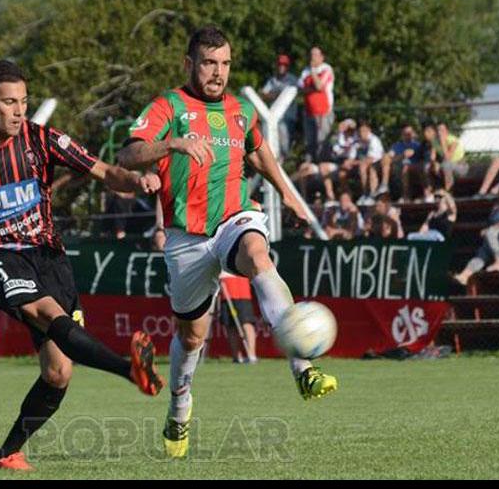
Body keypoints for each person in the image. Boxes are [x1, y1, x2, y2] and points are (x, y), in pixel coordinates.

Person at [0, 59, 165, 472]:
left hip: (49, 257)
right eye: (10, 102)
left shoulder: (42, 139)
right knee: (44, 311)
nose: (19, 110)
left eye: (24, 101)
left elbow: (103, 170)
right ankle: (127, 369)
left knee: (59, 372)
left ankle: (8, 453)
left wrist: (137, 181)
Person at [117, 25, 338, 459]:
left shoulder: (240, 111)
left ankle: (304, 367)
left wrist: (288, 194)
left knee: (258, 256)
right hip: (185, 236)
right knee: (193, 335)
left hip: (235, 217)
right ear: (189, 64)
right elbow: (127, 154)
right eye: (208, 63)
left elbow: (258, 151)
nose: (218, 72)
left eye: (224, 64)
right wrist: (173, 145)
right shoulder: (169, 106)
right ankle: (179, 409)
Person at [454, 179, 499, 285]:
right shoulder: (497, 206)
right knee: (482, 253)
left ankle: (498, 261)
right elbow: (490, 222)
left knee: (490, 233)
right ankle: (465, 275)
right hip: (493, 238)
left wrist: (489, 229)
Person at [298, 46, 335, 163]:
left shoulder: (327, 69)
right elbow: (299, 89)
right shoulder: (305, 71)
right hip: (309, 112)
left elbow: (319, 86)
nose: (312, 57)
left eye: (315, 55)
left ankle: (323, 171)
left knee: (322, 143)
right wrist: (312, 88)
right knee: (309, 143)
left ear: (321, 57)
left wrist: (313, 71)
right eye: (311, 54)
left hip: (324, 112)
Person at [260, 53, 299, 158]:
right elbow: (264, 94)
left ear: (287, 66)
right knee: (272, 139)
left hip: (288, 116)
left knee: (285, 142)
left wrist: (274, 94)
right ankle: (276, 161)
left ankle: (285, 162)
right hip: (274, 116)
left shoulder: (292, 79)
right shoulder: (272, 80)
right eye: (280, 64)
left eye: (284, 65)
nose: (282, 67)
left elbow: (294, 93)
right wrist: (277, 94)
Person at [379, 124, 428, 202]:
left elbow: (423, 159)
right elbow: (389, 157)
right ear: (402, 135)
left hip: (413, 169)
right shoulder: (397, 146)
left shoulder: (417, 145)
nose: (408, 135)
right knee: (386, 158)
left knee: (406, 168)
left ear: (414, 133)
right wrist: (402, 156)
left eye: (410, 133)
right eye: (405, 133)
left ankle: (406, 196)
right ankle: (384, 185)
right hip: (397, 167)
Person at [218, 272, 257, 364]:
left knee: (246, 323)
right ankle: (236, 357)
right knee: (230, 326)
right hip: (225, 290)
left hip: (241, 291)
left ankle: (251, 355)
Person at [352, 120, 385, 205]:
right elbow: (351, 156)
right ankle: (363, 195)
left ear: (369, 130)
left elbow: (371, 159)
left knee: (370, 169)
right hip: (362, 164)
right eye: (360, 131)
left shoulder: (374, 140)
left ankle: (370, 195)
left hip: (378, 163)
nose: (362, 133)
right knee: (342, 173)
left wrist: (354, 162)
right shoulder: (356, 140)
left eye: (364, 131)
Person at [433, 122, 467, 193]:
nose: (440, 133)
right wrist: (434, 163)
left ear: (447, 131)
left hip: (460, 166)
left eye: (442, 130)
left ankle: (448, 192)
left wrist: (443, 142)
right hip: (445, 165)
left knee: (446, 165)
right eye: (438, 130)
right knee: (429, 167)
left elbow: (447, 157)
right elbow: (433, 156)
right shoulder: (435, 142)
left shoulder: (453, 140)